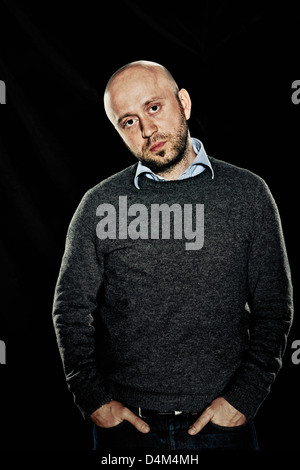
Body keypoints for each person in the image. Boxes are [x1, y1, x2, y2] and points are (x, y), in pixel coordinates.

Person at [52, 60, 293, 452]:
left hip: (222, 429)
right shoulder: (99, 204)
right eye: (128, 121)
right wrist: (93, 399)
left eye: (153, 107)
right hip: (127, 432)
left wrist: (244, 398)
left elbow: (275, 307)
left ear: (183, 102)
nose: (147, 130)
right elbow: (70, 309)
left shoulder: (248, 194)